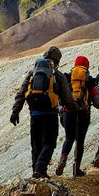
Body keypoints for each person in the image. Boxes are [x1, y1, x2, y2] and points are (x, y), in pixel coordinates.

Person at [10, 47, 71, 179]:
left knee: (36, 145)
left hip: (34, 115)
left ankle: (35, 173)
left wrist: (15, 112)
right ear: (57, 60)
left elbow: (21, 93)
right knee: (49, 143)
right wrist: (75, 109)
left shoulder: (32, 73)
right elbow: (67, 98)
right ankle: (40, 169)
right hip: (50, 115)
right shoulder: (58, 75)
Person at [56, 55, 99, 177]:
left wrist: (61, 111)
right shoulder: (89, 81)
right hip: (84, 113)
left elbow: (60, 97)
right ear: (87, 66)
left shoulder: (67, 78)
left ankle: (63, 159)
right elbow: (97, 101)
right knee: (80, 140)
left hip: (68, 112)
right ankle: (77, 168)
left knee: (69, 138)